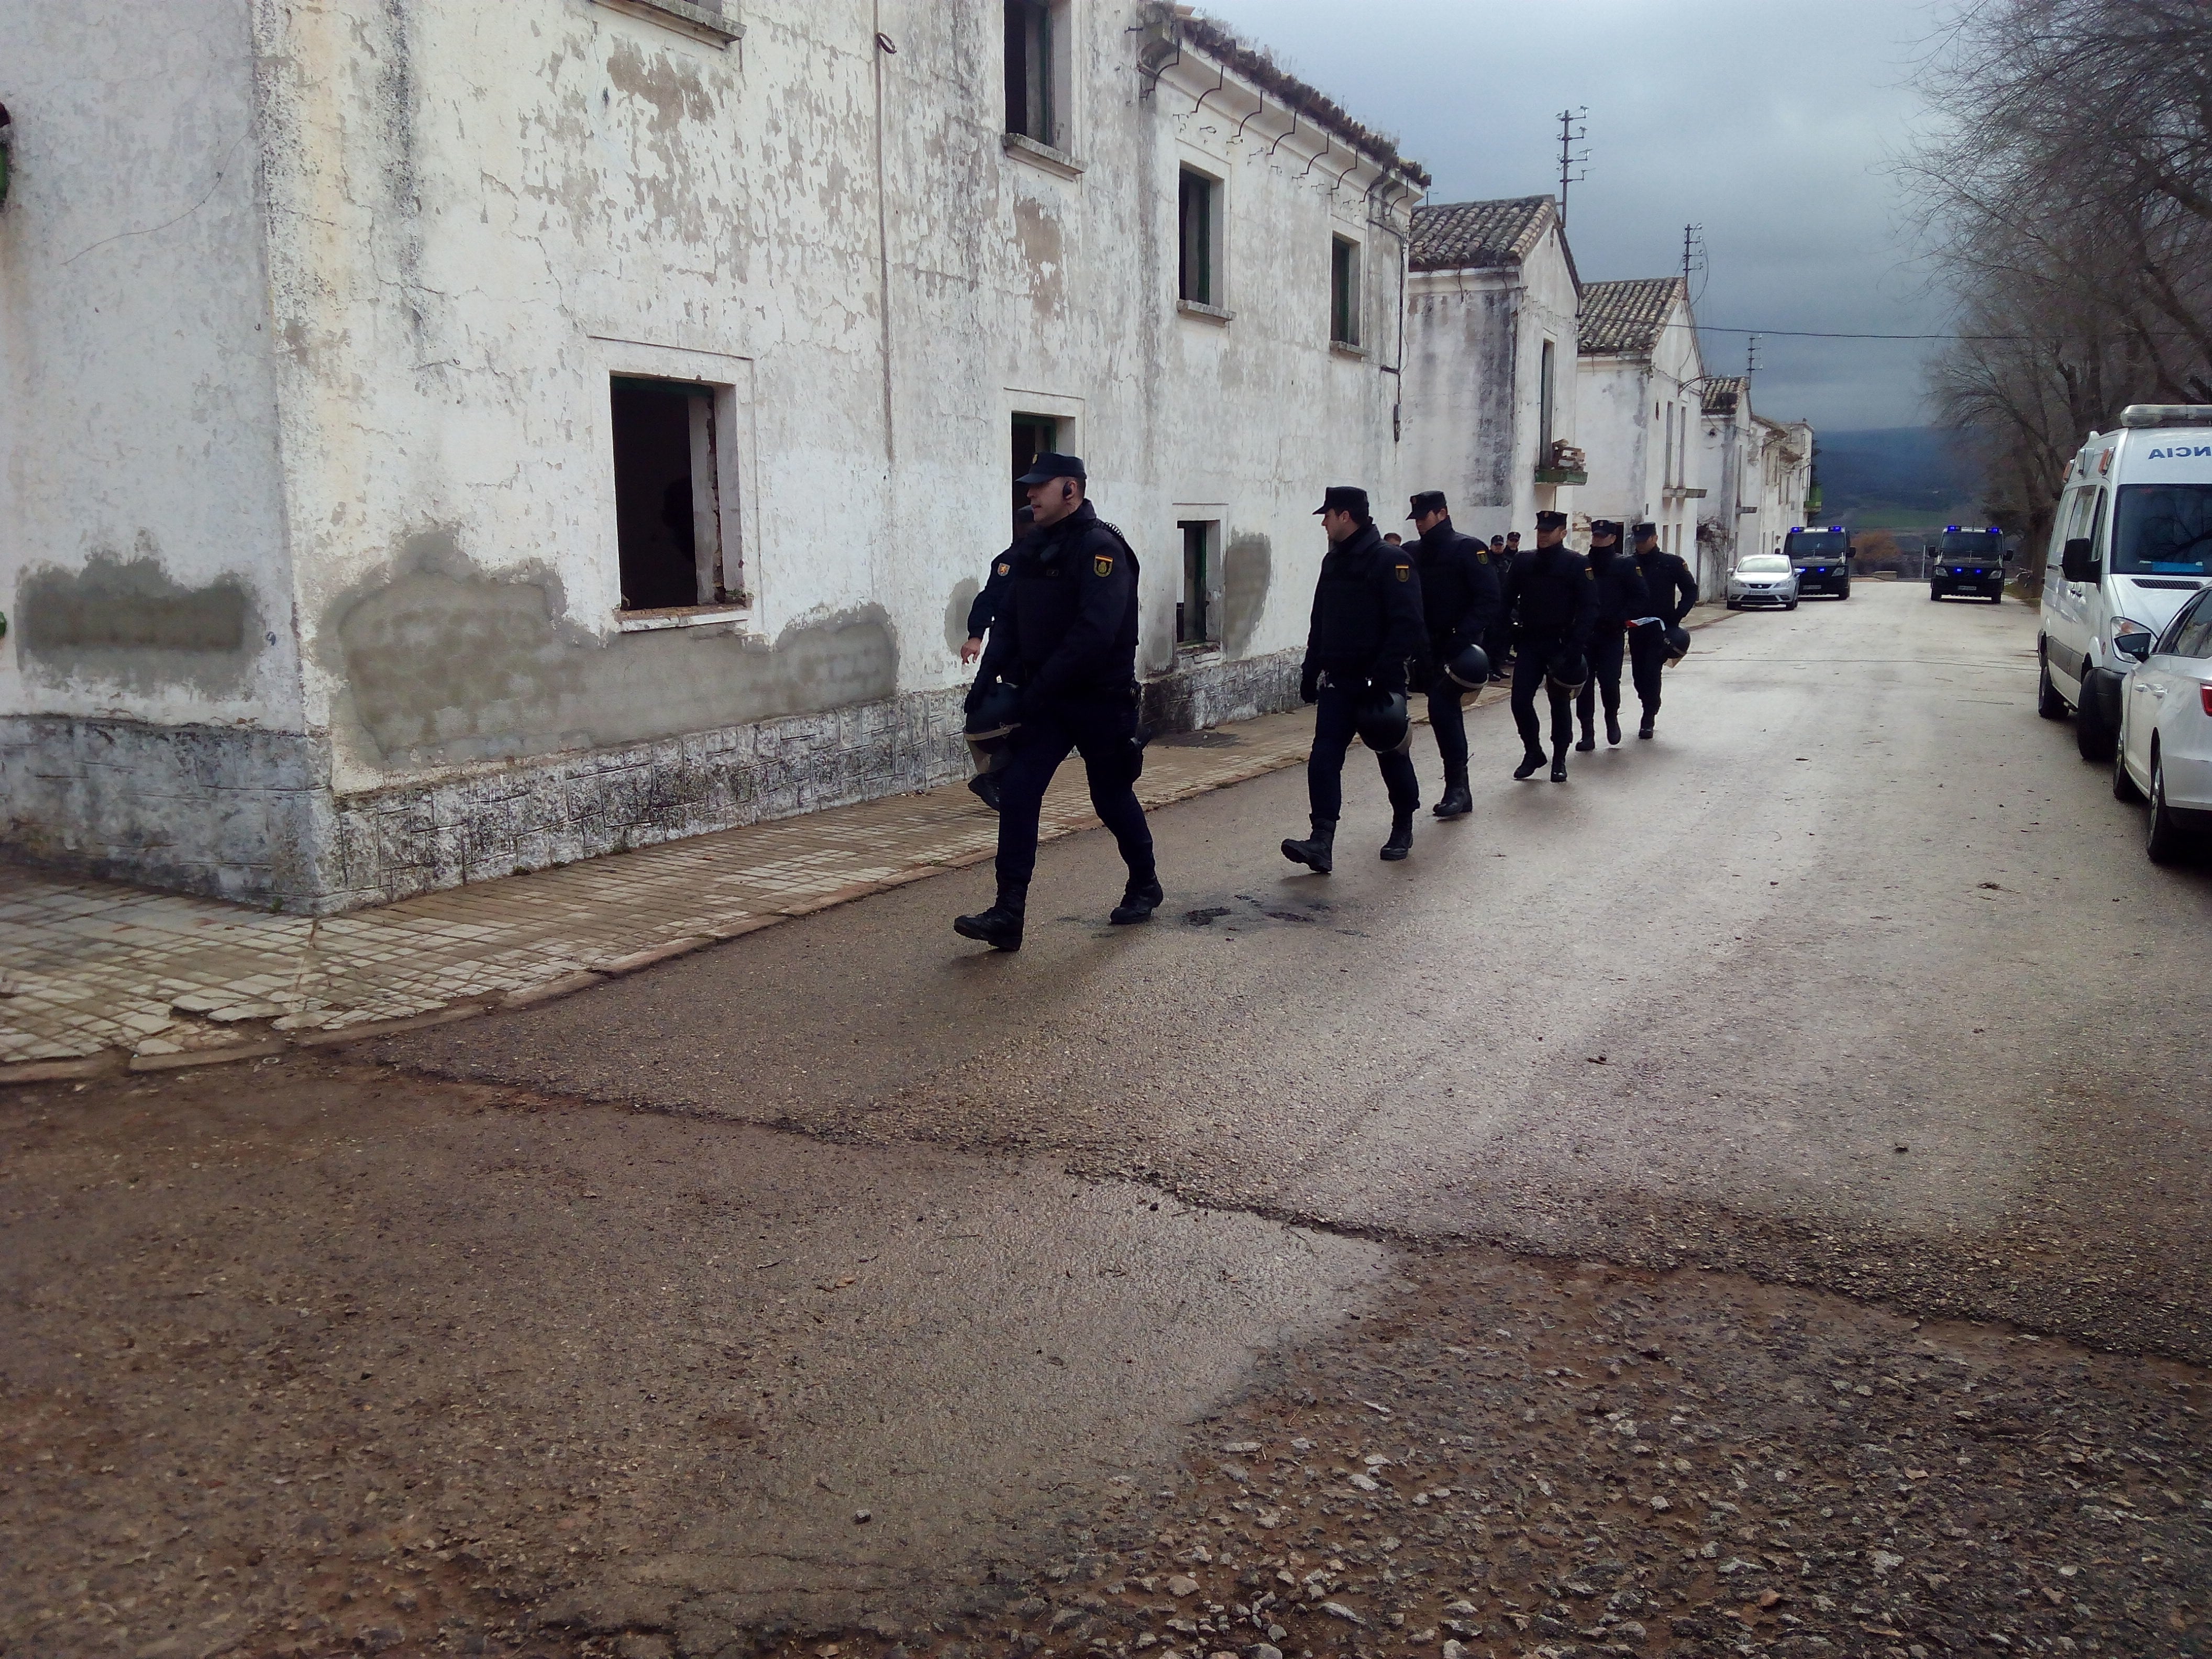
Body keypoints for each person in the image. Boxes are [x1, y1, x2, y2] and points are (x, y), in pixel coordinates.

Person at [955, 454, 1159, 951]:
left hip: (1100, 701)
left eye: (1038, 488)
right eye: (1027, 489)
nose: (1029, 495)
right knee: (1019, 793)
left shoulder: (1102, 550)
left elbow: (1095, 634)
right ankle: (1008, 914)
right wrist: (986, 679)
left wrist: (1038, 689)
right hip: (1046, 701)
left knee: (1110, 797)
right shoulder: (1032, 547)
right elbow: (1009, 620)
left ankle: (1144, 884)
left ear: (1071, 490)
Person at [1281, 485, 1426, 871]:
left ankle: (1403, 824)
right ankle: (1321, 841)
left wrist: (1383, 672)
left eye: (1327, 515)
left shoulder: (1390, 561)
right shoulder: (1334, 563)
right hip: (1339, 682)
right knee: (1323, 759)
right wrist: (1311, 669)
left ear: (1345, 516)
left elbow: (1408, 624)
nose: (1324, 523)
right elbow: (1320, 622)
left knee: (1391, 754)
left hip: (1379, 683)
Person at [1406, 490, 1501, 819]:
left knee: (1443, 711)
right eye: (1416, 519)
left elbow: (1488, 599)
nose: (1419, 524)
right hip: (1426, 648)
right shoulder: (1412, 552)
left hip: (1459, 648)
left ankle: (1457, 788)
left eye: (1425, 517)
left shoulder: (1468, 548)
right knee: (1438, 714)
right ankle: (1459, 790)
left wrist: (1462, 637)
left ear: (1443, 513)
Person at [1500, 510, 1597, 782]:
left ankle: (1560, 759)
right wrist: (1505, 631)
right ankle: (1533, 751)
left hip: (1561, 643)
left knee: (1559, 703)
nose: (1543, 535)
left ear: (1563, 533)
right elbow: (1505, 599)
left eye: (1549, 531)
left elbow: (1589, 607)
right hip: (1531, 641)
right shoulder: (1523, 561)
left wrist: (1576, 646)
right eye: (1540, 530)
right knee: (1520, 701)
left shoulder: (1576, 564)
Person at [960, 506, 1036, 810]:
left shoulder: (1060, 554)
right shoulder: (1011, 561)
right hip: (1018, 654)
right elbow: (990, 598)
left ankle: (1003, 778)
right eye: (1029, 525)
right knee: (1024, 717)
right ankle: (994, 776)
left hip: (1048, 654)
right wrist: (976, 635)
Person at [1574, 520, 1653, 751]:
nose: (1597, 540)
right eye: (1595, 536)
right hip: (1585, 634)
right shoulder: (1582, 564)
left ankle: (1611, 719)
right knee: (1584, 684)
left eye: (1602, 536)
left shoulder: (1625, 565)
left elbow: (1641, 597)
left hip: (1612, 634)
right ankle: (1587, 733)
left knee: (1609, 682)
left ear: (1612, 539)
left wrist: (1622, 618)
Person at [1630, 521, 1699, 739]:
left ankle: (1648, 716)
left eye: (1645, 540)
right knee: (1638, 676)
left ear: (1655, 539)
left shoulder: (1671, 563)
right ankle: (1648, 702)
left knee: (1652, 672)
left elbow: (1690, 590)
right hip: (1636, 628)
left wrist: (1678, 615)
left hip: (1662, 629)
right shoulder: (1628, 564)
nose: (1641, 545)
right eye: (1638, 541)